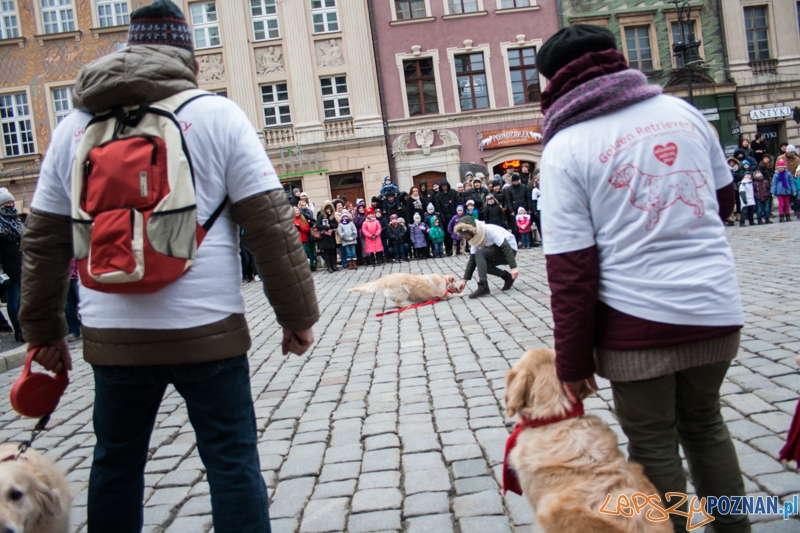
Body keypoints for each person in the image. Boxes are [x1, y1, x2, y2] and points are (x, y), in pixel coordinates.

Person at [19, 2, 320, 531]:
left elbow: (44, 241)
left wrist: (44, 331)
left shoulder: (74, 125)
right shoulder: (216, 114)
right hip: (208, 330)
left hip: (113, 334)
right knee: (231, 463)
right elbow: (271, 227)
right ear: (190, 58)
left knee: (115, 464)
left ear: (129, 50)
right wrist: (296, 317)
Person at [536, 24, 748, 533]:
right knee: (707, 426)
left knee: (653, 443)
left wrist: (572, 362)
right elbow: (723, 203)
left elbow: (571, 270)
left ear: (555, 80)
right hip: (715, 308)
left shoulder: (567, 146)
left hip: (637, 323)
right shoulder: (684, 113)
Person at [454, 216, 518, 298]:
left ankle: (483, 286)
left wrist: (513, 267)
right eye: (464, 236)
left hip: (510, 249)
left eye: (467, 235)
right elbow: (472, 260)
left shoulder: (489, 230)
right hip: (496, 251)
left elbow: (505, 247)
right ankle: (508, 277)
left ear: (472, 231)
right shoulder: (474, 240)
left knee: (480, 253)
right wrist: (464, 280)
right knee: (481, 263)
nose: (466, 238)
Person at [0, 188, 24, 342]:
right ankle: (19, 331)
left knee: (23, 299)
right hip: (8, 267)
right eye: (7, 202)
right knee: (13, 299)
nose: (10, 205)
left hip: (21, 265)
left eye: (11, 201)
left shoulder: (16, 221)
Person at [505, 174, 530, 243]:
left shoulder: (524, 187)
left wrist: (529, 209)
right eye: (514, 181)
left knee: (526, 226)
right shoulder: (509, 189)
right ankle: (515, 241)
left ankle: (528, 241)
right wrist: (511, 211)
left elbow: (528, 198)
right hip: (515, 209)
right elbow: (508, 201)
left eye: (517, 181)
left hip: (523, 209)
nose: (516, 182)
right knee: (515, 227)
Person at [435, 180, 458, 255]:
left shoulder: (453, 192)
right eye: (443, 185)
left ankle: (456, 248)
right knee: (446, 234)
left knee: (455, 233)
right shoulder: (438, 195)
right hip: (444, 217)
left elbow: (457, 203)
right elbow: (438, 207)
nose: (444, 187)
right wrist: (442, 216)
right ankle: (448, 249)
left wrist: (455, 214)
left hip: (453, 216)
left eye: (445, 185)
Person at [317, 201, 339, 272]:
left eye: (329, 209)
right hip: (324, 237)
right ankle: (329, 266)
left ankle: (333, 265)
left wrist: (330, 226)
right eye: (327, 209)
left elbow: (336, 225)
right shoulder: (321, 216)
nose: (328, 210)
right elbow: (318, 225)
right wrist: (326, 227)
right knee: (327, 252)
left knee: (332, 252)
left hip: (331, 237)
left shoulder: (332, 217)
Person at [294, 206, 315, 271]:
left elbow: (307, 229)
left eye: (298, 211)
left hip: (303, 239)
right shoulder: (291, 220)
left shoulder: (303, 219)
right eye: (295, 211)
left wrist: (300, 228)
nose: (297, 212)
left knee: (304, 254)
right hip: (295, 240)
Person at [531, 176, 542, 246]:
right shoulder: (535, 190)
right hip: (539, 208)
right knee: (540, 225)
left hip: (546, 208)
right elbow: (534, 201)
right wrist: (535, 211)